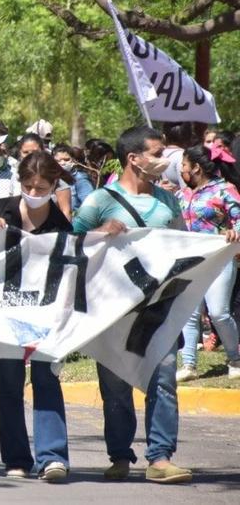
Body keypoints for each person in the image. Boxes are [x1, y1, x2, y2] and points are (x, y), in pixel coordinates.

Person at [72, 125, 191, 484]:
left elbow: (187, 246)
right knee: (115, 387)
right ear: (133, 159)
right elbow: (70, 246)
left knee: (164, 379)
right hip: (112, 311)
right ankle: (120, 456)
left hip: (158, 309)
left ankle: (160, 457)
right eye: (157, 153)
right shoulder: (99, 201)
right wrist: (97, 234)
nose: (163, 160)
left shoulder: (168, 201)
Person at [0, 151, 72, 482]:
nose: (34, 193)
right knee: (9, 384)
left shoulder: (59, 224)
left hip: (45, 314)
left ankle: (52, 457)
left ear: (53, 186)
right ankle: (16, 459)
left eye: (42, 187)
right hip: (4, 313)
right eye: (28, 186)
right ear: (19, 183)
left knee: (46, 379)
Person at [176, 144, 240, 381]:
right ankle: (189, 365)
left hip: (220, 258)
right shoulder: (182, 194)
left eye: (183, 165)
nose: (181, 169)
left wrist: (235, 233)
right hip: (191, 260)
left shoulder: (225, 189)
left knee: (218, 312)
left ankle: (235, 359)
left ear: (196, 167)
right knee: (190, 313)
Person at [17, 134, 72, 219]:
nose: (29, 155)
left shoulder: (56, 181)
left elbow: (66, 212)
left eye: (40, 188)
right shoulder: (12, 175)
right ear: (19, 152)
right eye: (25, 152)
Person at [52, 144, 95, 212]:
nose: (62, 163)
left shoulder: (80, 178)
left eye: (66, 160)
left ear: (74, 160)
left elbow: (90, 206)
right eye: (58, 161)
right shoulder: (50, 179)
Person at [161, 122, 198, 191]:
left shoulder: (160, 154)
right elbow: (186, 189)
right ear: (189, 136)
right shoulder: (182, 156)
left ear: (164, 136)